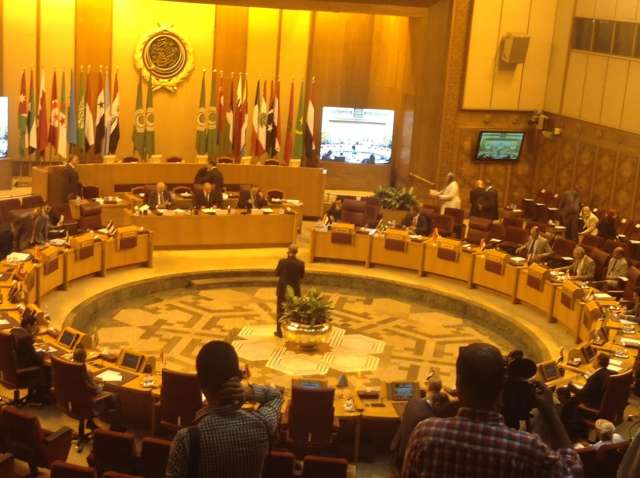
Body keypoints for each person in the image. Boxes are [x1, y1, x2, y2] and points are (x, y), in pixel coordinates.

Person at [401, 343, 582, 478]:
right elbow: (572, 472)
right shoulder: (526, 448)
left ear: (458, 385)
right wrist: (550, 413)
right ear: (502, 387)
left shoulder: (425, 433)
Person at [166, 341, 283, 478]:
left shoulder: (186, 439)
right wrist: (248, 392)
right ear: (237, 378)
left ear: (200, 383)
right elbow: (276, 396)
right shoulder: (262, 424)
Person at [391, 377, 449, 469]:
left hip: (399, 449)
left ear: (427, 388)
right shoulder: (430, 419)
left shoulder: (412, 401)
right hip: (412, 458)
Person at [10, 310, 51, 403]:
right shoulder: (25, 338)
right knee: (46, 367)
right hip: (24, 371)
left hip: (15, 367)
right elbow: (35, 358)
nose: (36, 327)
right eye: (35, 325)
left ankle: (34, 394)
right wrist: (43, 353)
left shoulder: (15, 331)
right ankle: (41, 397)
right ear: (29, 325)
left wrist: (33, 336)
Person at [274, 244, 305, 338]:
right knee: (295, 311)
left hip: (283, 290)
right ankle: (295, 331)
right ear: (297, 252)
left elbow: (276, 273)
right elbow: (302, 276)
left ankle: (279, 331)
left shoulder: (282, 262)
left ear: (288, 251)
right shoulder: (301, 263)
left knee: (280, 311)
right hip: (295, 291)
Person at [502, 357, 537, 429]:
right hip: (512, 420)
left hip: (506, 418)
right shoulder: (525, 387)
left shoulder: (503, 383)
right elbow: (527, 408)